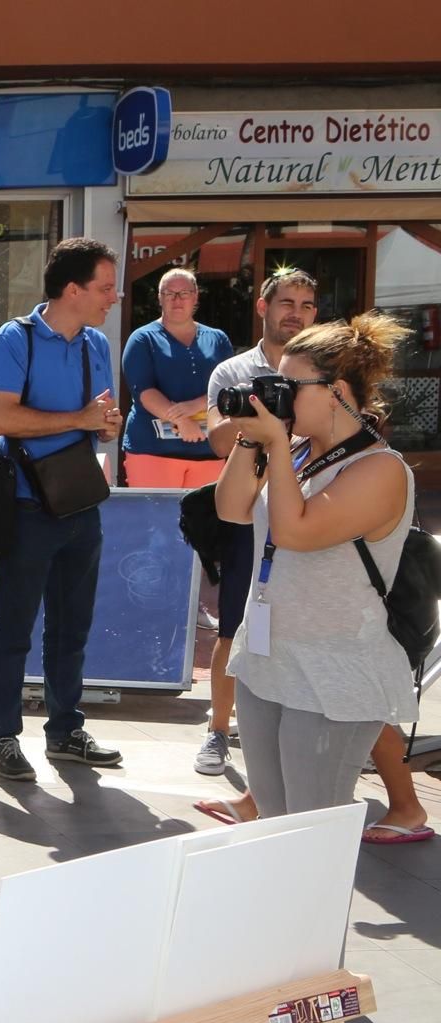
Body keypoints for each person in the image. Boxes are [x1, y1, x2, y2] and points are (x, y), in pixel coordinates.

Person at [215, 313, 417, 817]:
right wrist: (250, 438)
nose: (275, 396)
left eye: (288, 385)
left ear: (335, 390)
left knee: (310, 826)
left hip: (334, 671)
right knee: (273, 818)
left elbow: (294, 532)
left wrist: (277, 444)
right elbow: (230, 508)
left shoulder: (380, 469)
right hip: (268, 659)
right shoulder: (300, 453)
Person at [0, 238, 125, 783]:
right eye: (105, 287)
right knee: (14, 628)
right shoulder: (14, 339)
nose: (112, 297)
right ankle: (3, 737)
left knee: (73, 628)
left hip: (79, 502)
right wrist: (83, 421)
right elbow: (3, 419)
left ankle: (65, 730)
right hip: (24, 505)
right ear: (73, 289)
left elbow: (102, 419)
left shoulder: (95, 344)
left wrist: (106, 425)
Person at [194, 270, 314, 781]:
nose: (297, 312)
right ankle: (219, 729)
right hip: (249, 513)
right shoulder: (233, 370)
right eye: (287, 301)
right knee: (235, 625)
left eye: (307, 304)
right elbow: (219, 443)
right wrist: (263, 418)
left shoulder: (324, 367)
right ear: (263, 307)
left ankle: (288, 731)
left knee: (302, 626)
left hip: (312, 506)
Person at [122, 268, 235, 489]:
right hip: (153, 449)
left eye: (184, 293)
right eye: (169, 293)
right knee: (155, 523)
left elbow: (227, 386)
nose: (177, 300)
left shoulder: (218, 338)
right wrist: (181, 420)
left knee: (205, 522)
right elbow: (143, 391)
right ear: (159, 298)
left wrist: (195, 405)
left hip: (208, 450)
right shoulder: (142, 339)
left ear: (195, 297)